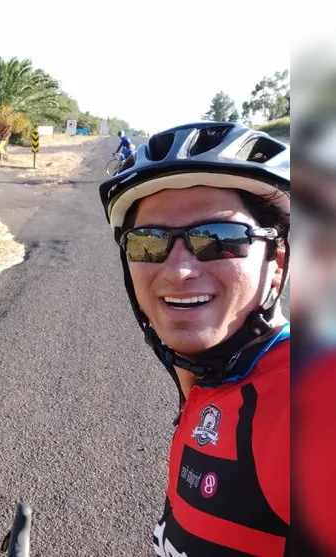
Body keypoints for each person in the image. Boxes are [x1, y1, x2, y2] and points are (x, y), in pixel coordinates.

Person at [98, 122, 290, 556]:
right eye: (148, 243)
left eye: (218, 240)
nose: (179, 270)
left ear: (276, 261)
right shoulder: (210, 387)